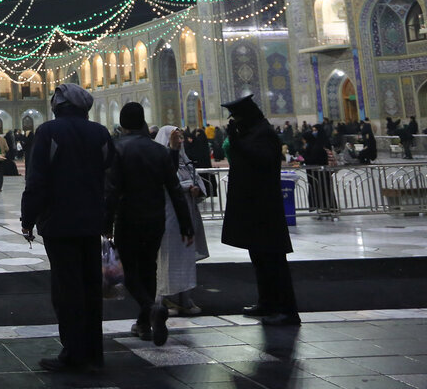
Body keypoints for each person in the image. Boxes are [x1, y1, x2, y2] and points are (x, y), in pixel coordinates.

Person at [20, 83, 115, 373]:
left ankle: (74, 353)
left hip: (59, 223)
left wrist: (28, 218)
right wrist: (107, 219)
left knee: (67, 289)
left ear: (58, 105)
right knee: (90, 288)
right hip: (91, 223)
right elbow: (111, 179)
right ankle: (93, 352)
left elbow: (37, 180)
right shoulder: (100, 133)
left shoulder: (49, 132)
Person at [104, 105, 192, 346]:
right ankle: (144, 324)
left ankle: (150, 307)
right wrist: (186, 225)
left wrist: (106, 223)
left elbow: (112, 191)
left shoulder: (118, 149)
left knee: (128, 270)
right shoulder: (159, 151)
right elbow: (174, 189)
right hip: (155, 219)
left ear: (122, 125)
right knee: (148, 268)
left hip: (128, 218)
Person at [221, 94, 299, 326]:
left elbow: (261, 160)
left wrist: (237, 142)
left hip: (266, 210)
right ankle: (267, 303)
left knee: (274, 261)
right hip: (254, 209)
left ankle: (286, 310)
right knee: (260, 258)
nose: (235, 122)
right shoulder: (252, 133)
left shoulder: (263, 134)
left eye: (237, 118)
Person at [155, 126, 209, 316]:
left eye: (180, 137)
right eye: (175, 137)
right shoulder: (161, 160)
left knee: (186, 259)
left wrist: (197, 190)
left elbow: (199, 182)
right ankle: (165, 299)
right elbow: (162, 183)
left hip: (187, 216)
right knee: (169, 258)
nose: (180, 141)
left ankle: (185, 299)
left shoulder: (185, 162)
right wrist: (186, 187)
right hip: (170, 217)